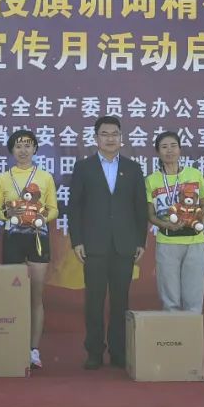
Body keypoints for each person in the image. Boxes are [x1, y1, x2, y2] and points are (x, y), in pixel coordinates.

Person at [67, 115, 148, 371]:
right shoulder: (84, 167)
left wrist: (141, 241)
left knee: (121, 301)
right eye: (105, 134)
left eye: (115, 134)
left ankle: (118, 351)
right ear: (96, 138)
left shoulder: (133, 168)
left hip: (125, 244)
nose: (110, 138)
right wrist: (77, 241)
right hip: (94, 244)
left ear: (121, 138)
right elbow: (74, 207)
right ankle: (94, 351)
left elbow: (139, 207)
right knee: (94, 300)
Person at [0, 129, 59, 369]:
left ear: (35, 149)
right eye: (18, 146)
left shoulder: (45, 177)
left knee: (35, 296)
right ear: (12, 150)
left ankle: (33, 350)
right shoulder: (3, 178)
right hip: (13, 238)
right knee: (13, 296)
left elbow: (54, 209)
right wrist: (7, 214)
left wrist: (40, 216)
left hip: (38, 238)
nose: (23, 150)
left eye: (28, 145)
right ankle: (13, 345)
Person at [145, 131, 204, 313]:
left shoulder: (195, 174)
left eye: (173, 146)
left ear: (180, 149)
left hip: (195, 243)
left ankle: (191, 332)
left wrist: (199, 216)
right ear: (158, 152)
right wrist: (167, 225)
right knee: (170, 301)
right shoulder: (151, 180)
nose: (169, 151)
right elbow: (150, 215)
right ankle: (173, 332)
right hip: (167, 243)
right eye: (164, 147)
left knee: (194, 301)